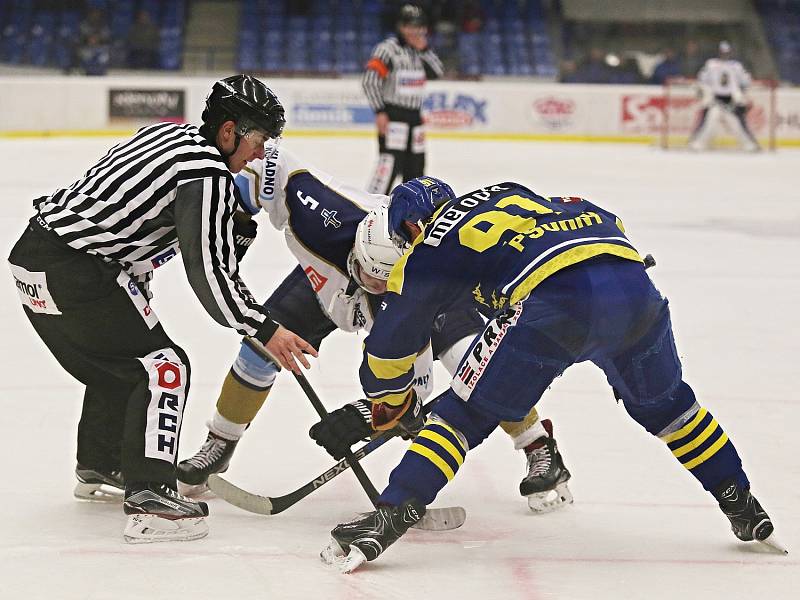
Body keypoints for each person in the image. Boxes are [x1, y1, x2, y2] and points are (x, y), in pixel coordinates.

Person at [313, 178, 784, 572]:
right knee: (672, 410)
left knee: (462, 416)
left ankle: (390, 514)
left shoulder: (432, 242)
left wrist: (386, 400)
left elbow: (391, 341)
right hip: (634, 288)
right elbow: (605, 220)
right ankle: (742, 503)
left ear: (412, 225)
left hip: (557, 305)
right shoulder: (516, 195)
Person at [7, 75, 316, 544]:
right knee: (163, 367)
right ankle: (149, 497)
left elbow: (126, 221)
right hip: (78, 272)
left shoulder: (165, 133)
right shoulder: (207, 172)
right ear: (229, 131)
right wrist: (264, 328)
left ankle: (101, 464)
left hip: (35, 260)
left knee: (120, 368)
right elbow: (208, 276)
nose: (260, 155)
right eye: (258, 141)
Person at [176, 149, 572, 514]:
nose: (372, 283)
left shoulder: (418, 286)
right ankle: (220, 442)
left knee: (473, 363)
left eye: (381, 281)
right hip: (327, 280)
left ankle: (539, 444)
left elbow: (412, 394)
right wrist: (234, 216)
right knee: (258, 349)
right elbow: (268, 167)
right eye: (369, 272)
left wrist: (363, 415)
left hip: (418, 299)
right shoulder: (323, 213)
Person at [362, 4, 444, 195]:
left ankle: (410, 215)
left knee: (416, 170)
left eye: (419, 26)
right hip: (394, 117)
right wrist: (380, 111)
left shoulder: (422, 51)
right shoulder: (387, 49)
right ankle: (370, 209)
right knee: (388, 167)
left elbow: (438, 72)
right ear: (401, 27)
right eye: (411, 26)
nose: (415, 31)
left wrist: (424, 50)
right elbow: (369, 81)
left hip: (416, 119)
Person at [688, 41, 761, 152]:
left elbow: (746, 80)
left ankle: (749, 144)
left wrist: (741, 94)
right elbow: (702, 79)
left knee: (738, 124)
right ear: (719, 52)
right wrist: (703, 91)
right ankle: (697, 143)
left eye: (726, 52)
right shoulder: (711, 64)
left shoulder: (736, 66)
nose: (724, 54)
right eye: (722, 52)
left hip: (731, 100)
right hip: (715, 99)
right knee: (709, 121)